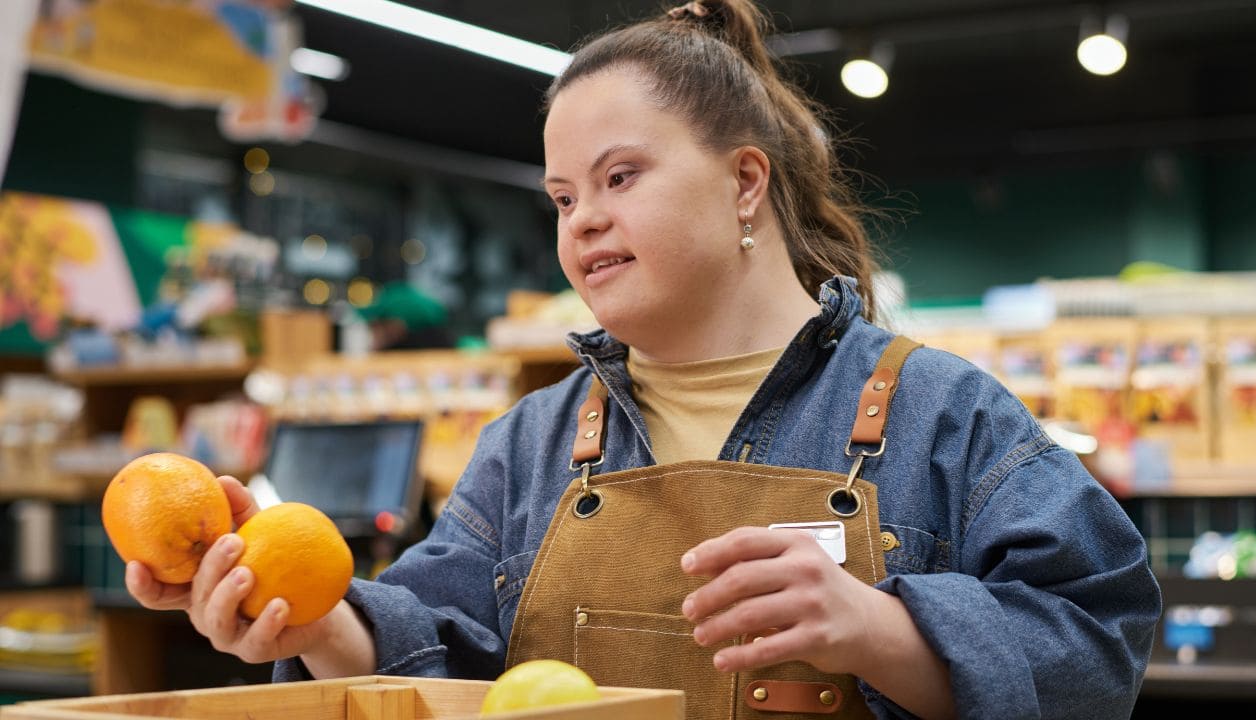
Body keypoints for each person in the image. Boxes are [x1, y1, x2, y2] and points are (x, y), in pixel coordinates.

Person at [124, 1, 1161, 718]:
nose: (583, 224)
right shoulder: (530, 443)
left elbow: (1097, 651)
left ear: (744, 182)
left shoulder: (945, 416)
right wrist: (302, 618)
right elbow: (432, 647)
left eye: (620, 177)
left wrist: (882, 630)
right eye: (564, 197)